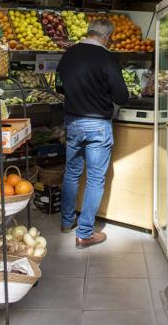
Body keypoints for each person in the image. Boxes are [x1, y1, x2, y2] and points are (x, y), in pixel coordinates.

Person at [55, 19, 129, 248]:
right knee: (96, 178)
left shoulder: (69, 55)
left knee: (72, 173)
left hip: (73, 123)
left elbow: (59, 86)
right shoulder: (107, 58)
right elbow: (122, 97)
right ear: (107, 37)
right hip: (98, 125)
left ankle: (67, 222)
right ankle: (85, 232)